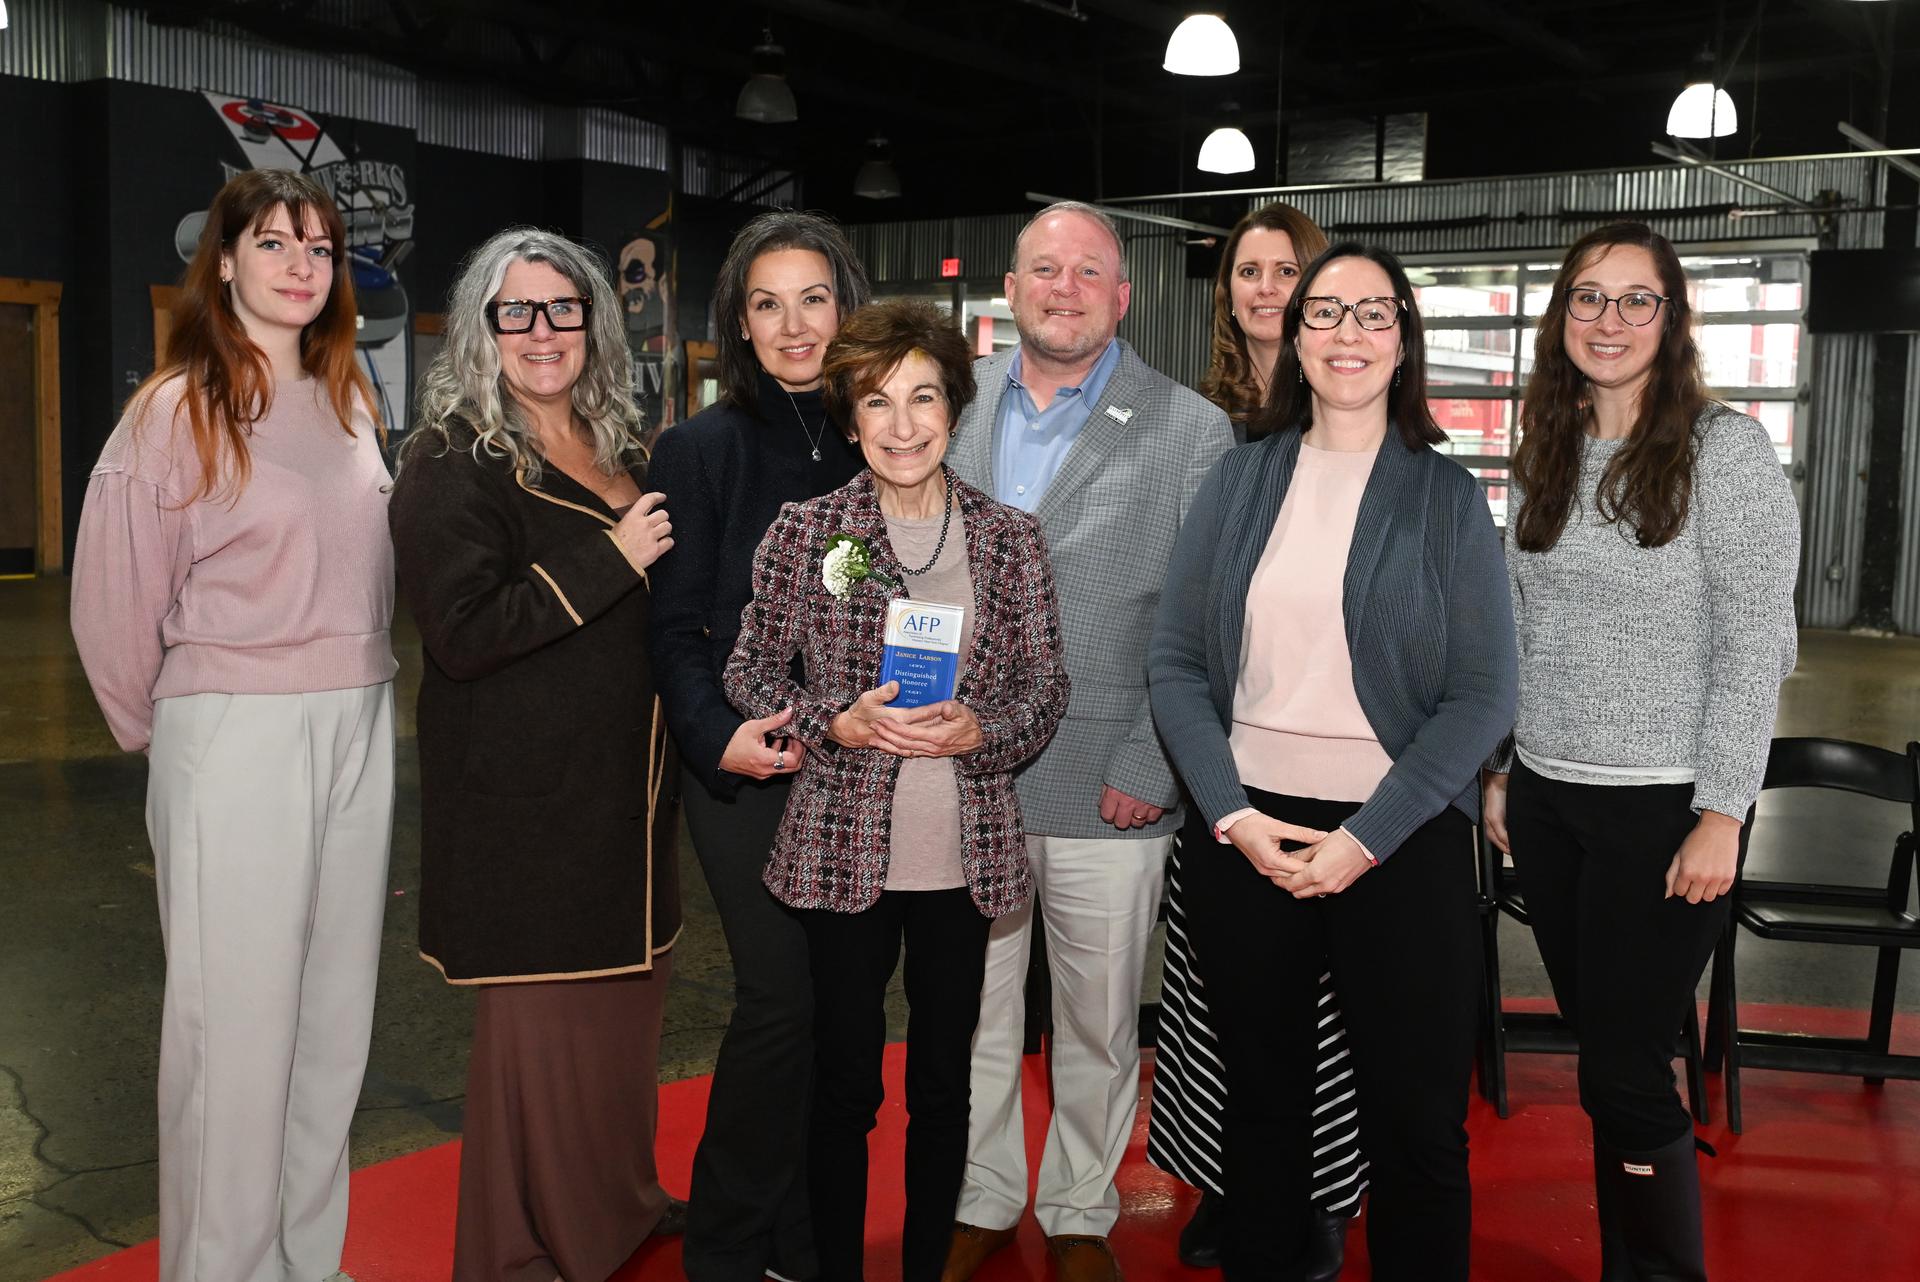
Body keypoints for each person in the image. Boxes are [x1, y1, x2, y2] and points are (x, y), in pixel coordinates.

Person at [1149, 243, 1517, 1282]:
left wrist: (1366, 839)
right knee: (1262, 1108)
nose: (1347, 333)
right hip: (1248, 836)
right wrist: (1229, 813)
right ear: (1296, 337)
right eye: (1325, 313)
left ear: (1403, 340)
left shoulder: (1447, 497)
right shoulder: (1238, 478)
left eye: (1373, 313)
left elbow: (1483, 695)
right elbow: (1175, 662)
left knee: (1417, 1124)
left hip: (1400, 836)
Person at [70, 168, 395, 1282]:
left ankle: (308, 1259)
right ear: (224, 263)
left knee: (330, 1022)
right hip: (236, 735)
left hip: (360, 716)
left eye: (319, 248)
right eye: (274, 243)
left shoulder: (351, 400)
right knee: (236, 1036)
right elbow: (112, 604)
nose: (302, 266)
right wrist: (182, 743)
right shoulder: (176, 410)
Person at [723, 299, 1070, 1282]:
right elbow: (749, 670)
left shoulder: (1009, 538)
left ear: (954, 409)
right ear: (849, 419)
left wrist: (983, 728)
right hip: (841, 855)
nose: (903, 423)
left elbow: (1044, 688)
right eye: (877, 401)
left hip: (964, 857)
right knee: (844, 1085)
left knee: (943, 1089)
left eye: (924, 397)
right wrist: (831, 718)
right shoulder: (809, 532)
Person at [1482, 222, 1799, 1282]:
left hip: (1664, 813)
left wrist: (1724, 811)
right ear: (1560, 316)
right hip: (1549, 798)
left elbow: (1757, 641)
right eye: (1588, 296)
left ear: (1671, 319)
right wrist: (1502, 767)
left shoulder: (1726, 451)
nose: (1608, 319)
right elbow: (1520, 623)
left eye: (1635, 299)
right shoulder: (1547, 448)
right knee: (1608, 1058)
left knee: (1621, 1069)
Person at [942, 201, 1233, 1282]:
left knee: (1100, 1019)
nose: (1063, 289)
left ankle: (1076, 1209)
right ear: (1010, 289)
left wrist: (1154, 760)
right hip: (959, 769)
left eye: (1087, 272)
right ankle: (980, 1196)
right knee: (971, 1011)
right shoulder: (950, 402)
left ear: (1123, 297)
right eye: (1043, 269)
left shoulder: (1191, 430)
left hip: (1111, 776)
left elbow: (1207, 624)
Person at [388, 227, 681, 1282]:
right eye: (516, 311)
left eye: (564, 308)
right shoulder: (448, 459)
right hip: (527, 815)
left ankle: (616, 1206)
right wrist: (610, 557)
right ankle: (523, 1250)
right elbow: (463, 633)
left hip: (629, 798)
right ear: (482, 327)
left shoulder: (620, 444)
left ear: (595, 324)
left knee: (618, 1032)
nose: (542, 331)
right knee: (543, 1046)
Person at [647, 209, 872, 1282]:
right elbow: (674, 626)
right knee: (781, 1001)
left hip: (864, 764)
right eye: (768, 304)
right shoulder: (700, 449)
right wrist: (717, 739)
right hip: (749, 766)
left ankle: (801, 1237)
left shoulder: (885, 436)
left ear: (845, 307)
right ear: (740, 322)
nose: (794, 326)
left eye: (813, 299)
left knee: (840, 1019)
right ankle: (729, 1245)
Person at [1150, 201, 1365, 1280]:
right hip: (1221, 752)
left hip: (1337, 758)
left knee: (1321, 1004)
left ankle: (1320, 1196)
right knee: (1213, 993)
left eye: (1288, 270)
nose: (1266, 288)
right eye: (1248, 271)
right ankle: (1229, 1183)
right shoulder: (1210, 425)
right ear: (1226, 292)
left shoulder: (1357, 412)